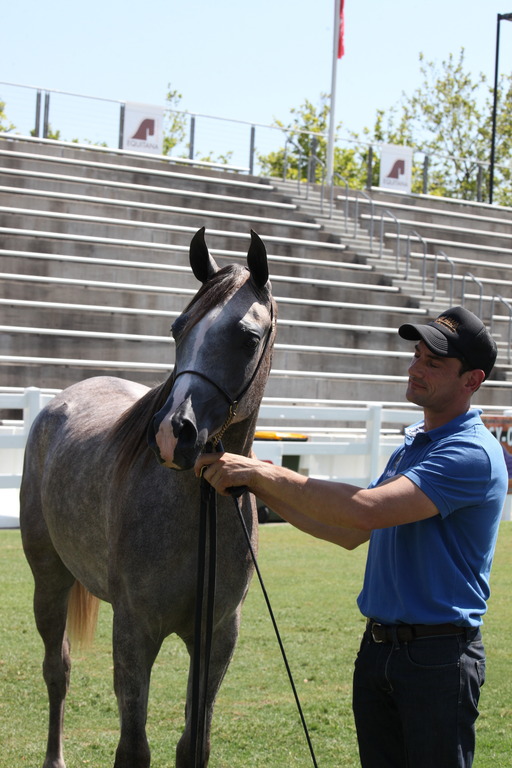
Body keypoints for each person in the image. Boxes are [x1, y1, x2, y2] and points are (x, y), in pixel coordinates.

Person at [195, 306, 508, 768]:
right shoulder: (416, 444)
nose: (415, 368)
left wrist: (261, 471)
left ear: (472, 380)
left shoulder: (471, 452)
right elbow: (347, 533)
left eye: (434, 363)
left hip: (438, 659)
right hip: (382, 651)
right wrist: (256, 486)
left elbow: (363, 509)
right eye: (417, 355)